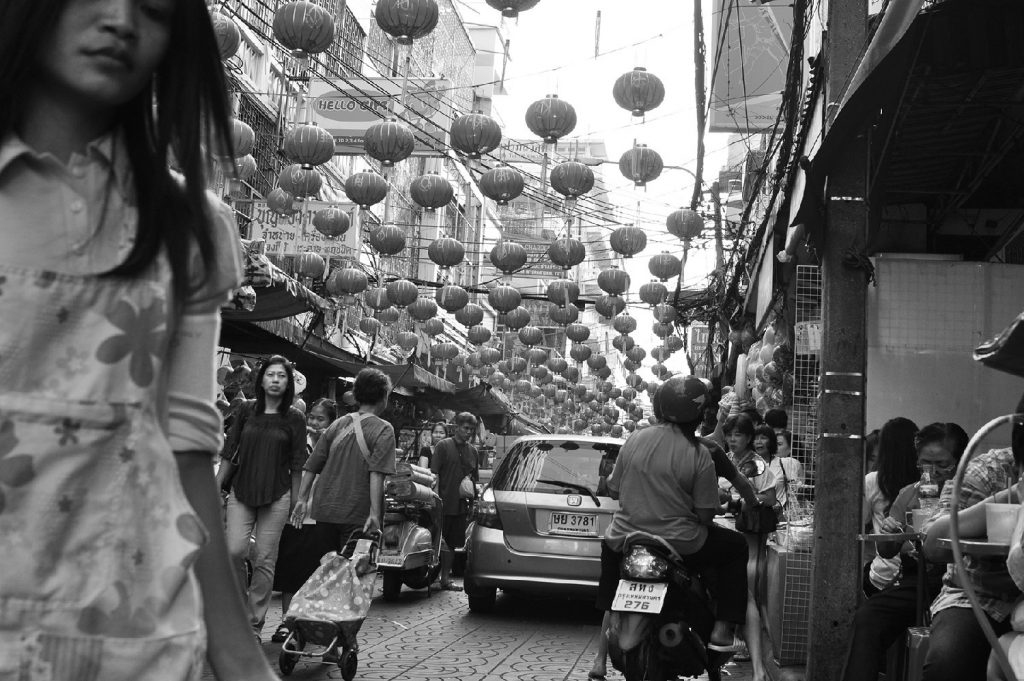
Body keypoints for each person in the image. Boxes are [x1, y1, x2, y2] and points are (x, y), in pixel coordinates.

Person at [0, 0, 278, 678]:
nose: (122, 20)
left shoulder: (191, 228)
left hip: (135, 642)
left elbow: (185, 449)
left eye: (153, 9)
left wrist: (242, 659)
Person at [588, 376, 749, 680]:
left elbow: (614, 489)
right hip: (681, 543)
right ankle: (722, 629)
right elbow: (704, 516)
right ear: (700, 415)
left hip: (624, 539)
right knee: (736, 546)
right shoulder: (700, 454)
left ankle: (600, 647)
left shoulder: (635, 438)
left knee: (609, 574)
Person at [840, 422, 968, 681]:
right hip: (919, 580)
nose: (932, 473)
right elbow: (886, 552)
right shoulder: (909, 493)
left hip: (961, 583)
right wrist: (890, 532)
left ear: (961, 460)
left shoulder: (972, 493)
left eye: (943, 465)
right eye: (925, 465)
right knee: (869, 616)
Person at [921, 393, 1024, 681]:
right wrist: (1010, 496)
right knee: (949, 662)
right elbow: (932, 544)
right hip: (978, 598)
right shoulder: (988, 470)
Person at [218, 355, 307, 638]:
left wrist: (297, 500)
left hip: (278, 494)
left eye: (282, 376)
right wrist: (216, 485)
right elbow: (230, 452)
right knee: (234, 551)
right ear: (261, 379)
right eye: (271, 375)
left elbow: (297, 463)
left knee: (265, 559)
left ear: (288, 383)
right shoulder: (245, 411)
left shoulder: (294, 418)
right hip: (242, 490)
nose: (276, 380)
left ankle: (253, 624)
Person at [270, 397, 337, 643]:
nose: (314, 423)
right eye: (312, 418)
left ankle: (310, 624)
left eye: (321, 419)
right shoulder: (300, 443)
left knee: (314, 575)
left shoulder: (334, 447)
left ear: (332, 423)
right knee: (290, 573)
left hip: (320, 519)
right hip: (294, 516)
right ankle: (287, 622)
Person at [721, 413, 777, 681]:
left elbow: (768, 497)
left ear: (749, 438)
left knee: (748, 591)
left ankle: (752, 651)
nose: (733, 439)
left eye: (739, 435)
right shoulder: (728, 460)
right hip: (727, 529)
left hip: (747, 532)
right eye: (730, 434)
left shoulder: (756, 464)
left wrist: (737, 502)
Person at [862, 417, 919, 596]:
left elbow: (861, 522)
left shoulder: (873, 480)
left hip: (884, 576)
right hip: (920, 574)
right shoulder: (927, 482)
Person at [431, 411, 480, 591]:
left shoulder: (473, 451)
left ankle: (445, 579)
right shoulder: (443, 446)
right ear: (456, 427)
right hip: (442, 503)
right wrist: (435, 501)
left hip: (460, 506)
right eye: (466, 428)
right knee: (437, 541)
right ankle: (434, 575)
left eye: (471, 429)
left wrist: (474, 502)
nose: (468, 432)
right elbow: (434, 474)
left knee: (452, 544)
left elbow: (474, 480)